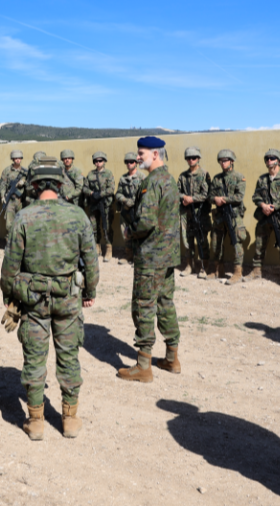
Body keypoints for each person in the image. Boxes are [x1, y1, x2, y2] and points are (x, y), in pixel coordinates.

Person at [0, 157, 99, 440]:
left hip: (32, 302)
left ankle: (36, 422)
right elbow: (91, 261)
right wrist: (89, 292)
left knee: (34, 360)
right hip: (68, 300)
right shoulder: (77, 215)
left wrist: (9, 298)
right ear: (60, 183)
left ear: (32, 184)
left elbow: (9, 267)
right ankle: (69, 419)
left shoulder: (24, 216)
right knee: (69, 357)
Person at [117, 137, 182, 381]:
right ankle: (172, 357)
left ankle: (143, 365)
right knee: (165, 303)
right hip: (166, 257)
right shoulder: (169, 179)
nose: (138, 157)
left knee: (144, 306)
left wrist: (129, 232)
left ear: (155, 154)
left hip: (151, 257)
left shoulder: (152, 182)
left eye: (141, 153)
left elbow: (146, 221)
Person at [250, 149, 280, 289]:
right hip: (264, 216)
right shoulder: (262, 179)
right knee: (259, 243)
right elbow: (255, 196)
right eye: (267, 158)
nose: (269, 160)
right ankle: (256, 271)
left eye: (272, 158)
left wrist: (273, 207)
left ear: (279, 161)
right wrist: (263, 205)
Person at [207, 150, 247, 284]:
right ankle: (219, 270)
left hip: (234, 215)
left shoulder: (239, 177)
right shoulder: (217, 178)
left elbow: (239, 197)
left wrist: (222, 199)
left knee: (236, 243)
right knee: (216, 243)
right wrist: (215, 199)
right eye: (221, 161)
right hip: (219, 215)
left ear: (231, 161)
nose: (223, 163)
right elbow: (210, 196)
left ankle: (237, 272)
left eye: (225, 160)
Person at [177, 147, 211, 277]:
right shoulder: (183, 176)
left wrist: (192, 199)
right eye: (188, 158)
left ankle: (204, 267)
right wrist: (184, 198)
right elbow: (177, 191)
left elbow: (207, 194)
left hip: (200, 213)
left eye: (194, 158)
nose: (191, 160)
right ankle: (189, 265)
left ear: (198, 159)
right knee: (187, 240)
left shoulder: (204, 174)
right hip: (186, 213)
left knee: (202, 239)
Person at [82, 151, 115, 261]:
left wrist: (100, 194)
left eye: (100, 161)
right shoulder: (90, 174)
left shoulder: (109, 174)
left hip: (105, 204)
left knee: (106, 227)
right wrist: (92, 194)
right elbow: (85, 188)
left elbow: (111, 189)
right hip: (93, 203)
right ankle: (97, 247)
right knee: (93, 227)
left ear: (104, 161)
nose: (98, 163)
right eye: (96, 161)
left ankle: (109, 249)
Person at [115, 152, 143, 265]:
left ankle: (138, 258)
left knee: (138, 233)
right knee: (125, 234)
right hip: (126, 211)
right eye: (127, 162)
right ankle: (129, 256)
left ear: (136, 163)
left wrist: (136, 203)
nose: (129, 164)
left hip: (137, 212)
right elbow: (118, 194)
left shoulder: (142, 177)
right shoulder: (123, 178)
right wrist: (124, 200)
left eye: (131, 162)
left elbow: (146, 194)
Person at [0, 150, 28, 246]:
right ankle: (9, 244)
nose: (17, 160)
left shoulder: (25, 172)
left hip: (21, 200)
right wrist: (3, 195)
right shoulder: (7, 170)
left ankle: (20, 243)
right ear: (12, 159)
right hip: (10, 200)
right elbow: (2, 184)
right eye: (16, 158)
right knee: (9, 224)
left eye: (19, 158)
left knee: (21, 222)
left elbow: (30, 183)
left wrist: (24, 181)